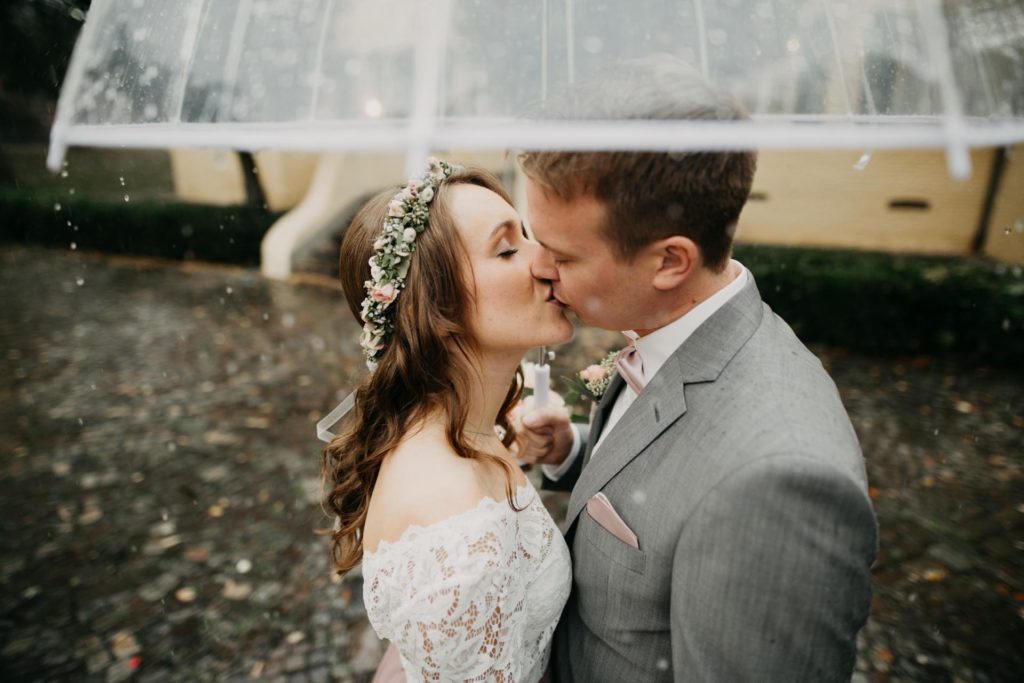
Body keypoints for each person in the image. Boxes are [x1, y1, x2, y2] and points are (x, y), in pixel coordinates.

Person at [516, 57, 878, 682]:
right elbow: (665, 483)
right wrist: (572, 451)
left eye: (562, 253)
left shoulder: (778, 487)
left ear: (669, 262)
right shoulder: (673, 327)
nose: (537, 267)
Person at [321, 159, 574, 682]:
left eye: (525, 236)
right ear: (438, 309)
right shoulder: (452, 522)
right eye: (507, 249)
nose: (547, 260)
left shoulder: (471, 429)